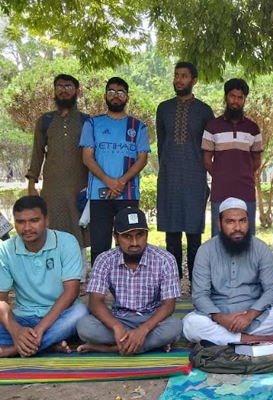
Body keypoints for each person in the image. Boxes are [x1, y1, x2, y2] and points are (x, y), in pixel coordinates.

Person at [182, 197, 273, 344]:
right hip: (218, 317)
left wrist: (249, 316)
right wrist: (221, 318)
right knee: (190, 324)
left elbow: (272, 290)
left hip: (254, 316)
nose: (237, 227)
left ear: (248, 221)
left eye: (242, 221)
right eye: (230, 222)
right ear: (219, 224)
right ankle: (256, 339)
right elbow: (200, 295)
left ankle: (226, 339)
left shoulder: (261, 248)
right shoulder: (206, 251)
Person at [76, 208, 182, 354]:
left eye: (140, 235)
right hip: (119, 319)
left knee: (175, 326)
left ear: (147, 235)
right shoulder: (104, 260)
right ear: (115, 237)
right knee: (84, 326)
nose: (134, 243)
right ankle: (148, 345)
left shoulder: (165, 259)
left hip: (152, 321)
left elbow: (169, 305)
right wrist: (116, 327)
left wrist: (144, 330)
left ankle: (111, 348)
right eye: (127, 236)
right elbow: (95, 302)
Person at [0, 196, 88, 357]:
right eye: (20, 222)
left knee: (80, 313)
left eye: (34, 221)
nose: (27, 228)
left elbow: (71, 292)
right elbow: (1, 301)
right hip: (23, 318)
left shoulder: (67, 242)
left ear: (47, 220)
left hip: (60, 317)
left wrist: (40, 330)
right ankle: (48, 344)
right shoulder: (6, 249)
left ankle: (14, 349)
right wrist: (16, 331)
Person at [27, 74, 91, 281]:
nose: (63, 91)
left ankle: (79, 278)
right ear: (54, 91)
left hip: (79, 186)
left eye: (68, 87)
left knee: (77, 230)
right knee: (51, 229)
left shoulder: (86, 121)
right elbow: (37, 153)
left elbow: (93, 155)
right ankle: (52, 277)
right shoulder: (45, 120)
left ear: (77, 91)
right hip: (52, 188)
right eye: (60, 87)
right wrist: (31, 184)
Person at [80, 77, 150, 263]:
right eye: (111, 91)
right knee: (100, 244)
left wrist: (121, 182)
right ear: (105, 95)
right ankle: (99, 281)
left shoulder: (138, 126)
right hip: (99, 194)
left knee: (130, 244)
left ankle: (128, 280)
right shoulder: (92, 124)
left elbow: (142, 159)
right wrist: (108, 181)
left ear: (127, 97)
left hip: (128, 194)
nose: (115, 95)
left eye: (120, 92)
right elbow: (87, 158)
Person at [156, 62, 215, 281]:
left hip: (194, 179)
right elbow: (162, 145)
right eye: (176, 75)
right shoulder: (164, 108)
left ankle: (196, 283)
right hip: (169, 178)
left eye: (184, 76)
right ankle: (172, 283)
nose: (178, 80)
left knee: (194, 235)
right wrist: (167, 169)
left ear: (194, 81)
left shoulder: (204, 111)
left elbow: (209, 148)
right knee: (171, 236)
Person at [203, 78, 262, 238]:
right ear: (226, 97)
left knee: (247, 235)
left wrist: (243, 174)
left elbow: (257, 160)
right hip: (220, 191)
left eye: (239, 97)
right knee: (219, 236)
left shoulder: (252, 128)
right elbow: (207, 160)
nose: (235, 101)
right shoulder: (212, 127)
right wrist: (222, 176)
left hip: (246, 190)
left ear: (244, 100)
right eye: (232, 96)